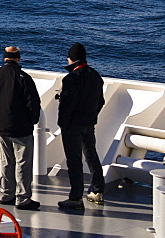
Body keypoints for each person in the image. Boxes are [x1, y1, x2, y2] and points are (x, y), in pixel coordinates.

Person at [0, 46, 41, 210]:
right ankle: (23, 199)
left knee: (6, 162)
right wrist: (32, 121)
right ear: (18, 59)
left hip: (0, 126)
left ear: (4, 59)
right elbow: (33, 103)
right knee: (23, 163)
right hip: (21, 128)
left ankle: (6, 195)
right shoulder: (23, 77)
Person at [57, 42, 106, 209]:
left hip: (73, 126)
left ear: (71, 59)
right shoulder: (95, 76)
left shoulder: (71, 79)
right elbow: (101, 101)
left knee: (74, 160)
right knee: (91, 155)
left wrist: (63, 123)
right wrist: (92, 116)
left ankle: (76, 197)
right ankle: (97, 191)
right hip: (89, 123)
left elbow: (67, 105)